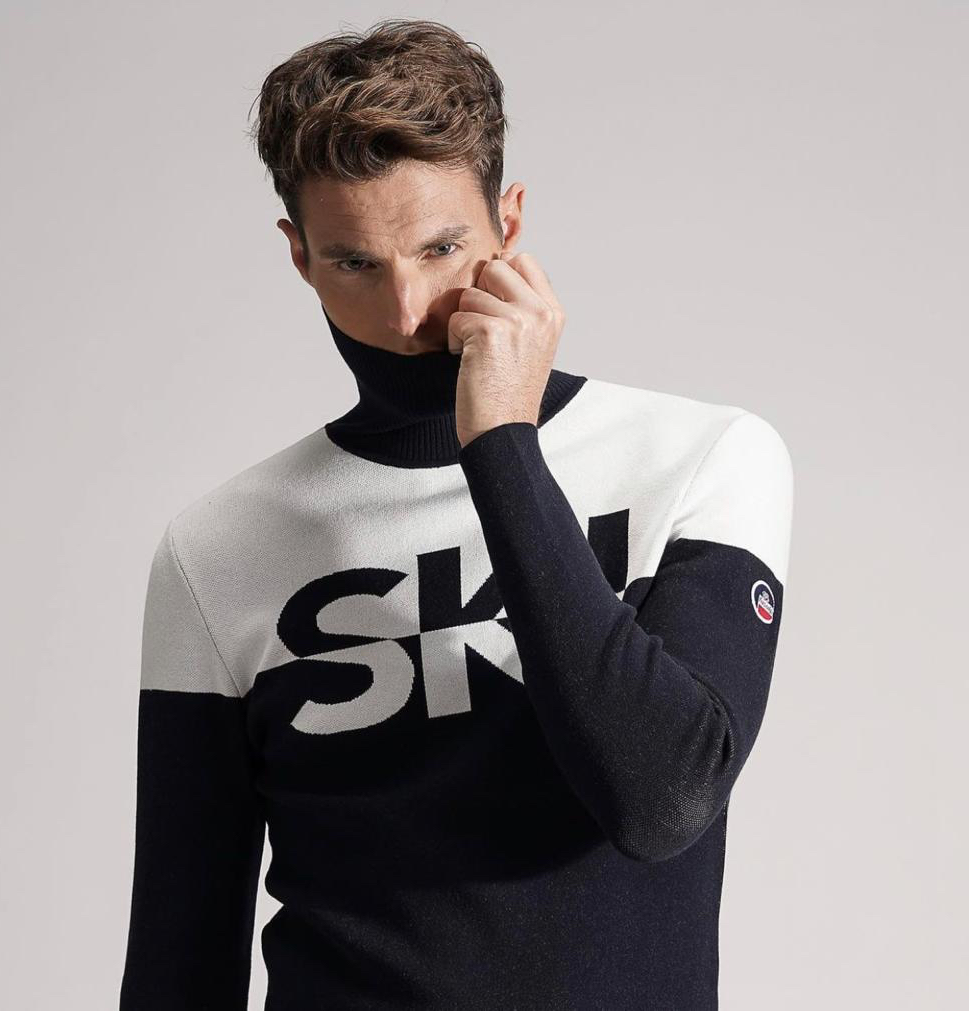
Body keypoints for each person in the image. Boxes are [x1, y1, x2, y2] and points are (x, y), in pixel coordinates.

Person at [119, 17, 794, 1010]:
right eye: (354, 262)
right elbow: (180, 951)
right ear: (298, 255)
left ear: (508, 222)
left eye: (441, 248)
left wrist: (502, 446)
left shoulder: (697, 459)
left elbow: (660, 800)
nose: (405, 312)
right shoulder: (218, 548)